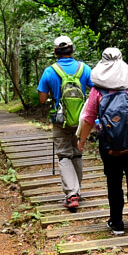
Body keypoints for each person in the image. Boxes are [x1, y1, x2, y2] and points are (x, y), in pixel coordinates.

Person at [77, 47, 128, 235]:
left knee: (114, 181)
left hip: (109, 145)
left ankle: (117, 223)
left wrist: (82, 140)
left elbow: (89, 118)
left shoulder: (98, 90)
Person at [38, 35, 93, 211]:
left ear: (55, 52)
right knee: (77, 153)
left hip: (60, 121)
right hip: (81, 121)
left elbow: (42, 98)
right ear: (72, 50)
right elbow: (95, 92)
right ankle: (77, 190)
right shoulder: (84, 69)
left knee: (64, 155)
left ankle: (72, 194)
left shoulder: (49, 71)